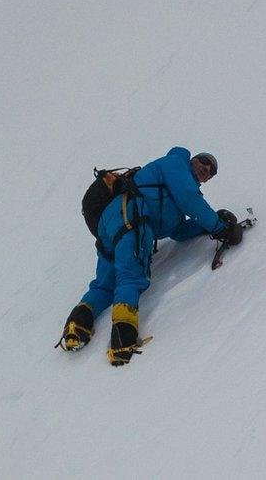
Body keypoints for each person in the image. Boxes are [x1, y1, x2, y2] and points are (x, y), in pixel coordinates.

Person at [57, 147, 243, 366]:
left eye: (210, 171)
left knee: (105, 284)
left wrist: (205, 227)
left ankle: (76, 327)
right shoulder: (175, 164)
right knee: (131, 277)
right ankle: (122, 341)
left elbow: (178, 230)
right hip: (132, 218)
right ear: (192, 160)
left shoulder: (167, 192)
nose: (206, 168)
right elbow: (189, 199)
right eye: (203, 162)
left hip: (112, 223)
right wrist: (220, 227)